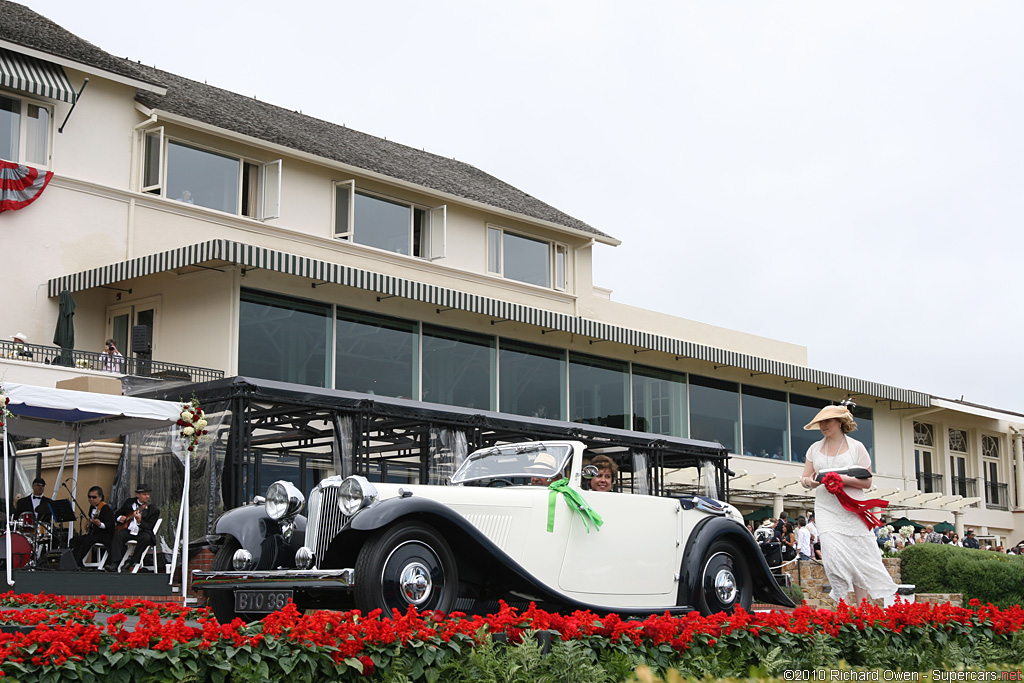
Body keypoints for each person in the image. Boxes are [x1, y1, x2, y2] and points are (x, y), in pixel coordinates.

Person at [799, 404, 898, 605]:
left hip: (853, 508)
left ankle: (862, 607)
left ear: (839, 422)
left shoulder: (856, 447)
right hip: (827, 508)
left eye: (827, 421)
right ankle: (842, 603)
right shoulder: (814, 449)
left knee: (860, 554)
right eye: (821, 422)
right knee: (833, 556)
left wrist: (842, 479)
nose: (823, 426)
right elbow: (804, 478)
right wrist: (811, 482)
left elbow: (867, 481)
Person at [105, 484, 160, 572]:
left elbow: (149, 527)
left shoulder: (153, 509)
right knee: (118, 536)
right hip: (129, 530)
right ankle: (115, 563)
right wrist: (120, 518)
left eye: (148, 494)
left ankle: (132, 561)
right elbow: (117, 514)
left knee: (146, 538)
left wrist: (140, 521)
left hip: (142, 531)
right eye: (144, 494)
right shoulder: (129, 502)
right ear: (138, 495)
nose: (147, 496)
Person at [70, 486, 115, 568]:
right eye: (89, 497)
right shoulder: (92, 508)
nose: (91, 499)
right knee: (75, 540)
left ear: (100, 497)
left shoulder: (106, 509)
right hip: (95, 533)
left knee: (87, 541)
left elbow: (110, 525)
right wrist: (90, 523)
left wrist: (100, 524)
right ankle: (73, 560)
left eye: (94, 497)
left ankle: (77, 562)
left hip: (105, 535)